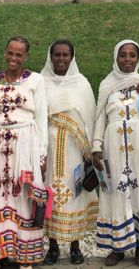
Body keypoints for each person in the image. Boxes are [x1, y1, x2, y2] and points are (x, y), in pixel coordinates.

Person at [0, 36, 48, 269]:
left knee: (22, 198)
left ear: (26, 56)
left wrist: (41, 154)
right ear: (5, 53)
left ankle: (25, 255)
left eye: (19, 54)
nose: (14, 58)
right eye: (10, 53)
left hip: (25, 144)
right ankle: (1, 253)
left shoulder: (36, 80)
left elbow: (41, 119)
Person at [92, 40, 139, 266]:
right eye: (122, 55)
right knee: (115, 191)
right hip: (113, 145)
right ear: (115, 57)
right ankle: (118, 246)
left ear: (138, 58)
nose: (127, 59)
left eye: (132, 55)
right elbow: (100, 118)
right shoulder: (106, 84)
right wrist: (96, 146)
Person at [40, 40, 98, 265]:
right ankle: (52, 246)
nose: (61, 59)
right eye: (57, 55)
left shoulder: (81, 83)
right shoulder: (40, 82)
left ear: (72, 57)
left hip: (75, 149)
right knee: (50, 193)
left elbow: (89, 116)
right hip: (50, 146)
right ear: (50, 56)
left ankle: (75, 245)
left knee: (75, 193)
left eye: (66, 55)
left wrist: (91, 150)